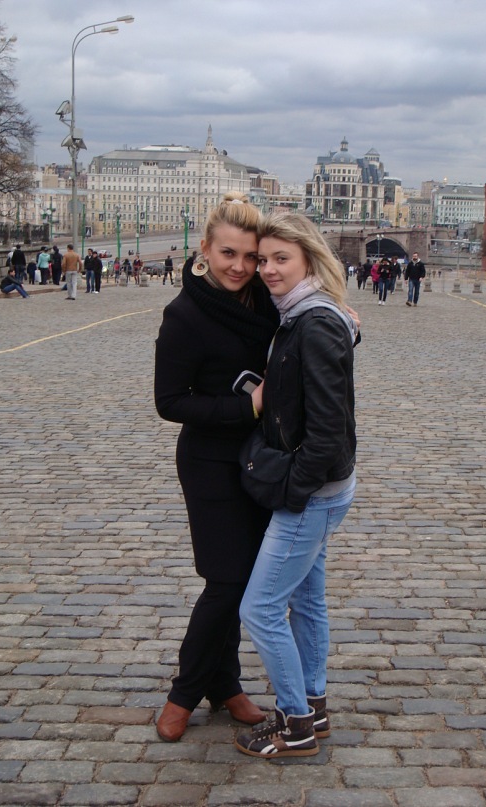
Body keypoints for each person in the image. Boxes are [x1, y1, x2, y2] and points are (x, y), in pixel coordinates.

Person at [154, 193, 280, 743]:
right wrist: (245, 407)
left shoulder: (267, 299)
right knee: (226, 580)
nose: (240, 266)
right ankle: (184, 693)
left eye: (251, 256)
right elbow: (169, 401)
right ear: (205, 249)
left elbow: (308, 315)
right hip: (209, 461)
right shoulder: (184, 314)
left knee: (244, 579)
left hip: (262, 460)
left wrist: (343, 316)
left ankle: (226, 685)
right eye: (229, 253)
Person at [236, 213, 358, 759]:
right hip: (323, 489)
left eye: (280, 258)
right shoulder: (304, 313)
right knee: (307, 600)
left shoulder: (315, 322)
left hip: (313, 492)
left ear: (309, 257)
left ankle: (295, 724)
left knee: (260, 608)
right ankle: (314, 703)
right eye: (263, 259)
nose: (267, 269)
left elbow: (329, 430)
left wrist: (293, 491)